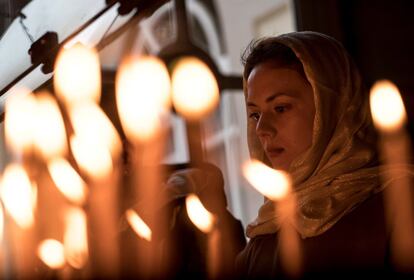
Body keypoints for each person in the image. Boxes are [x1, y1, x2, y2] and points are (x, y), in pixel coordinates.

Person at [234, 31, 414, 279]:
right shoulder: (265, 235)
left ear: (331, 108)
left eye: (280, 108)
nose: (262, 130)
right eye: (255, 114)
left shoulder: (399, 203)